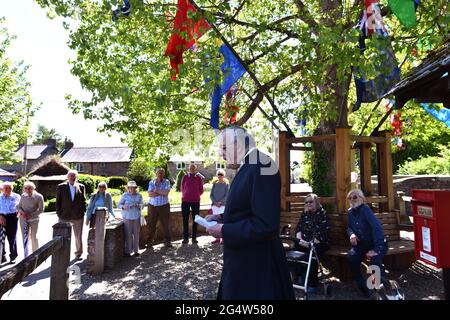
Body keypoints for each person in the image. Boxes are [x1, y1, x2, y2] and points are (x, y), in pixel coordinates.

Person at [206, 125, 295, 300]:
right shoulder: (250, 165)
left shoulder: (261, 165)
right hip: (246, 264)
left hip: (257, 271)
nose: (221, 154)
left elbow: (266, 224)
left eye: (224, 148)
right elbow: (248, 209)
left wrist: (224, 230)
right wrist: (221, 217)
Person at [346, 189, 388, 298]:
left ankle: (378, 288)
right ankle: (363, 287)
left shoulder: (365, 210)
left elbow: (377, 228)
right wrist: (351, 234)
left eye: (355, 197)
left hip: (377, 244)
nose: (352, 199)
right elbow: (349, 227)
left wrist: (376, 249)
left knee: (375, 261)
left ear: (362, 198)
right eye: (350, 198)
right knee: (351, 257)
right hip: (362, 245)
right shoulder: (350, 212)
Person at [291, 193, 330, 292]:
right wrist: (299, 239)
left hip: (320, 242)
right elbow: (299, 227)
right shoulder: (305, 213)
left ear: (316, 202)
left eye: (311, 202)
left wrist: (309, 243)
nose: (308, 204)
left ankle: (313, 284)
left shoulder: (322, 214)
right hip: (305, 242)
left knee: (312, 255)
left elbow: (323, 233)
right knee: (294, 249)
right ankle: (300, 275)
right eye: (306, 202)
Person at [56, 170, 87, 261]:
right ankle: (62, 253)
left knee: (78, 236)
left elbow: (83, 201)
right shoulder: (61, 187)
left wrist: (83, 212)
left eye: (74, 176)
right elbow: (58, 202)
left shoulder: (81, 187)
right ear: (67, 177)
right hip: (64, 216)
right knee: (63, 236)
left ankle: (78, 253)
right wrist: (59, 214)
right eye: (70, 176)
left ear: (76, 177)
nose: (72, 178)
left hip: (78, 216)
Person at [146, 168, 172, 248]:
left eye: (161, 173)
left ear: (163, 174)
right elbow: (150, 194)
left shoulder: (166, 181)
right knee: (151, 224)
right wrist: (160, 192)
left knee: (165, 224)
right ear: (156, 174)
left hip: (164, 206)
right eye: (158, 173)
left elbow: (166, 192)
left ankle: (167, 242)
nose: (160, 174)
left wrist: (156, 191)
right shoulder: (151, 182)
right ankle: (149, 242)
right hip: (152, 206)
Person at [17, 181, 44, 257]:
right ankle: (26, 254)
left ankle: (36, 254)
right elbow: (18, 207)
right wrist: (22, 212)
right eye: (26, 188)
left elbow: (41, 209)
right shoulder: (23, 196)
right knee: (25, 236)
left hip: (34, 219)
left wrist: (30, 215)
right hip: (23, 219)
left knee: (33, 236)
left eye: (29, 188)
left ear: (33, 188)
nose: (27, 190)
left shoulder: (39, 196)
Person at [118, 181, 143, 257]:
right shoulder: (125, 195)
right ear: (128, 188)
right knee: (128, 234)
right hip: (127, 217)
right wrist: (124, 207)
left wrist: (138, 205)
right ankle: (128, 251)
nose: (132, 189)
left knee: (136, 234)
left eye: (133, 187)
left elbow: (142, 205)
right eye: (130, 187)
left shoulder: (139, 195)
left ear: (136, 188)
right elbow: (119, 205)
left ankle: (136, 251)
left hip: (136, 216)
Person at [181, 163, 203, 244]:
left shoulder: (199, 178)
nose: (192, 169)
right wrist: (187, 195)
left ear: (196, 169)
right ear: (189, 169)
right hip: (185, 201)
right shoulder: (185, 177)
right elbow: (182, 188)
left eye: (193, 168)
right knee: (185, 219)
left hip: (195, 201)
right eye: (191, 168)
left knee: (195, 220)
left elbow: (201, 190)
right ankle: (185, 238)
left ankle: (194, 238)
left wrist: (195, 195)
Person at [0, 181, 21, 264]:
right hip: (1, 217)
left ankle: (13, 256)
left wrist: (17, 216)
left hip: (12, 218)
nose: (8, 189)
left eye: (10, 188)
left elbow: (21, 208)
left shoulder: (17, 196)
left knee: (12, 238)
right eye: (6, 188)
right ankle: (2, 256)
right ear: (2, 189)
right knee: (1, 238)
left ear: (12, 188)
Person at [209, 169, 229, 244]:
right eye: (219, 174)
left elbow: (227, 195)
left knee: (222, 222)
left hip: (222, 206)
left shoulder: (226, 185)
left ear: (224, 176)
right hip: (215, 206)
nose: (220, 176)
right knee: (215, 222)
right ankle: (217, 238)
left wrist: (220, 203)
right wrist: (215, 202)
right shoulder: (214, 184)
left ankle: (223, 239)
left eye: (221, 174)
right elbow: (211, 195)